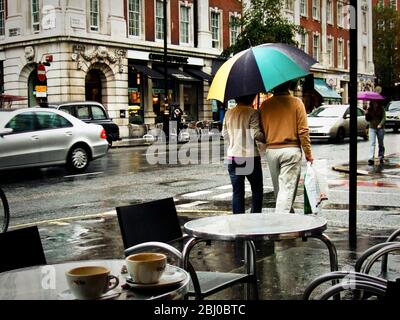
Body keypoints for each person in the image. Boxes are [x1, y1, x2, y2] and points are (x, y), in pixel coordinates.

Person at [260, 80, 314, 213]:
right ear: (290, 85)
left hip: (272, 151)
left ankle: (288, 216)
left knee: (280, 191)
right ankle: (281, 223)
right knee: (287, 190)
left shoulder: (265, 105)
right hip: (291, 150)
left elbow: (261, 132)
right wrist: (308, 153)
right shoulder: (296, 103)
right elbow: (303, 131)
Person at [222, 94, 265, 214]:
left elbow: (224, 134)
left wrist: (234, 143)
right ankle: (254, 218)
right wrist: (268, 138)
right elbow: (256, 134)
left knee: (237, 192)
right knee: (256, 190)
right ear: (251, 98)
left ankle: (238, 221)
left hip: (233, 156)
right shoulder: (253, 112)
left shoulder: (228, 113)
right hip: (250, 157)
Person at [365, 100, 386, 165]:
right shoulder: (369, 109)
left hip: (380, 128)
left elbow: (384, 117)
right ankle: (371, 158)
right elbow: (368, 119)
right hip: (372, 127)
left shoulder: (381, 108)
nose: (374, 102)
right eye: (373, 101)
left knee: (380, 143)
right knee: (372, 143)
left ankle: (381, 156)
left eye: (375, 101)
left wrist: (380, 124)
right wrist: (366, 114)